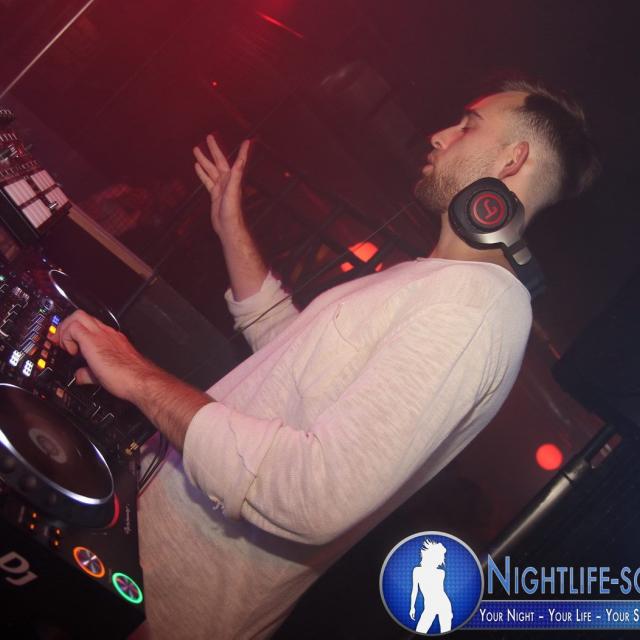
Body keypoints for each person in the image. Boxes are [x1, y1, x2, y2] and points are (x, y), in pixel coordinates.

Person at [51, 79, 600, 639]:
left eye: (467, 126)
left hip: (165, 607)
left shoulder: (474, 308)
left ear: (512, 160)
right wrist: (231, 228)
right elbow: (291, 356)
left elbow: (313, 495)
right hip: (131, 551)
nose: (439, 135)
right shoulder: (443, 285)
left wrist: (138, 378)